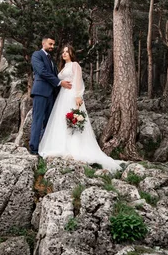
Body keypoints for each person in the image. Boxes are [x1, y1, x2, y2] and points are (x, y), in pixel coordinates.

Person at [38, 44, 122, 173]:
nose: (64, 54)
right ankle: (61, 145)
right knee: (61, 120)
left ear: (71, 54)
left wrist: (78, 96)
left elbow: (78, 80)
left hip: (71, 95)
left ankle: (75, 148)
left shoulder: (75, 65)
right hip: (62, 97)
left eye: (67, 52)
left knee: (73, 121)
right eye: (63, 52)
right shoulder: (63, 67)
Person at [29, 36, 72, 155]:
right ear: (43, 44)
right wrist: (59, 83)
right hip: (41, 92)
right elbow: (42, 72)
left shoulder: (51, 60)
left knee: (49, 122)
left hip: (52, 95)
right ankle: (34, 149)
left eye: (53, 44)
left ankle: (44, 147)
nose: (52, 46)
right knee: (38, 120)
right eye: (50, 44)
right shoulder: (37, 55)